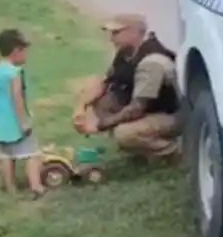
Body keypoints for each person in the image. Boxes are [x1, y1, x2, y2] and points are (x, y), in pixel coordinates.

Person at [72, 13, 182, 161]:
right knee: (103, 101)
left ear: (135, 32)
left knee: (125, 134)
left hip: (169, 115)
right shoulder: (126, 53)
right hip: (147, 108)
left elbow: (137, 108)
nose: (111, 38)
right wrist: (81, 107)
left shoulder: (152, 62)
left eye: (116, 33)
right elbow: (105, 82)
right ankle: (140, 148)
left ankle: (175, 152)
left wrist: (99, 125)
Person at [0, 28, 46, 197]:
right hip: (15, 124)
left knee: (6, 156)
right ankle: (36, 187)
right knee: (32, 154)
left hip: (1, 125)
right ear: (16, 51)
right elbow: (16, 98)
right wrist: (23, 123)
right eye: (24, 51)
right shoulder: (14, 73)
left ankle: (10, 187)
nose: (26, 55)